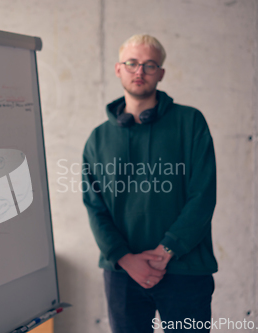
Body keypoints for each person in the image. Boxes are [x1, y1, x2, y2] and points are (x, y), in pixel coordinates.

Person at [82, 34, 218, 332]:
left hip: (186, 268)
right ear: (119, 69)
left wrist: (167, 250)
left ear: (161, 73)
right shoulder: (98, 139)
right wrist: (126, 259)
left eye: (149, 64)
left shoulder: (190, 122)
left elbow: (203, 194)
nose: (139, 71)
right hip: (122, 274)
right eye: (132, 63)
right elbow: (95, 208)